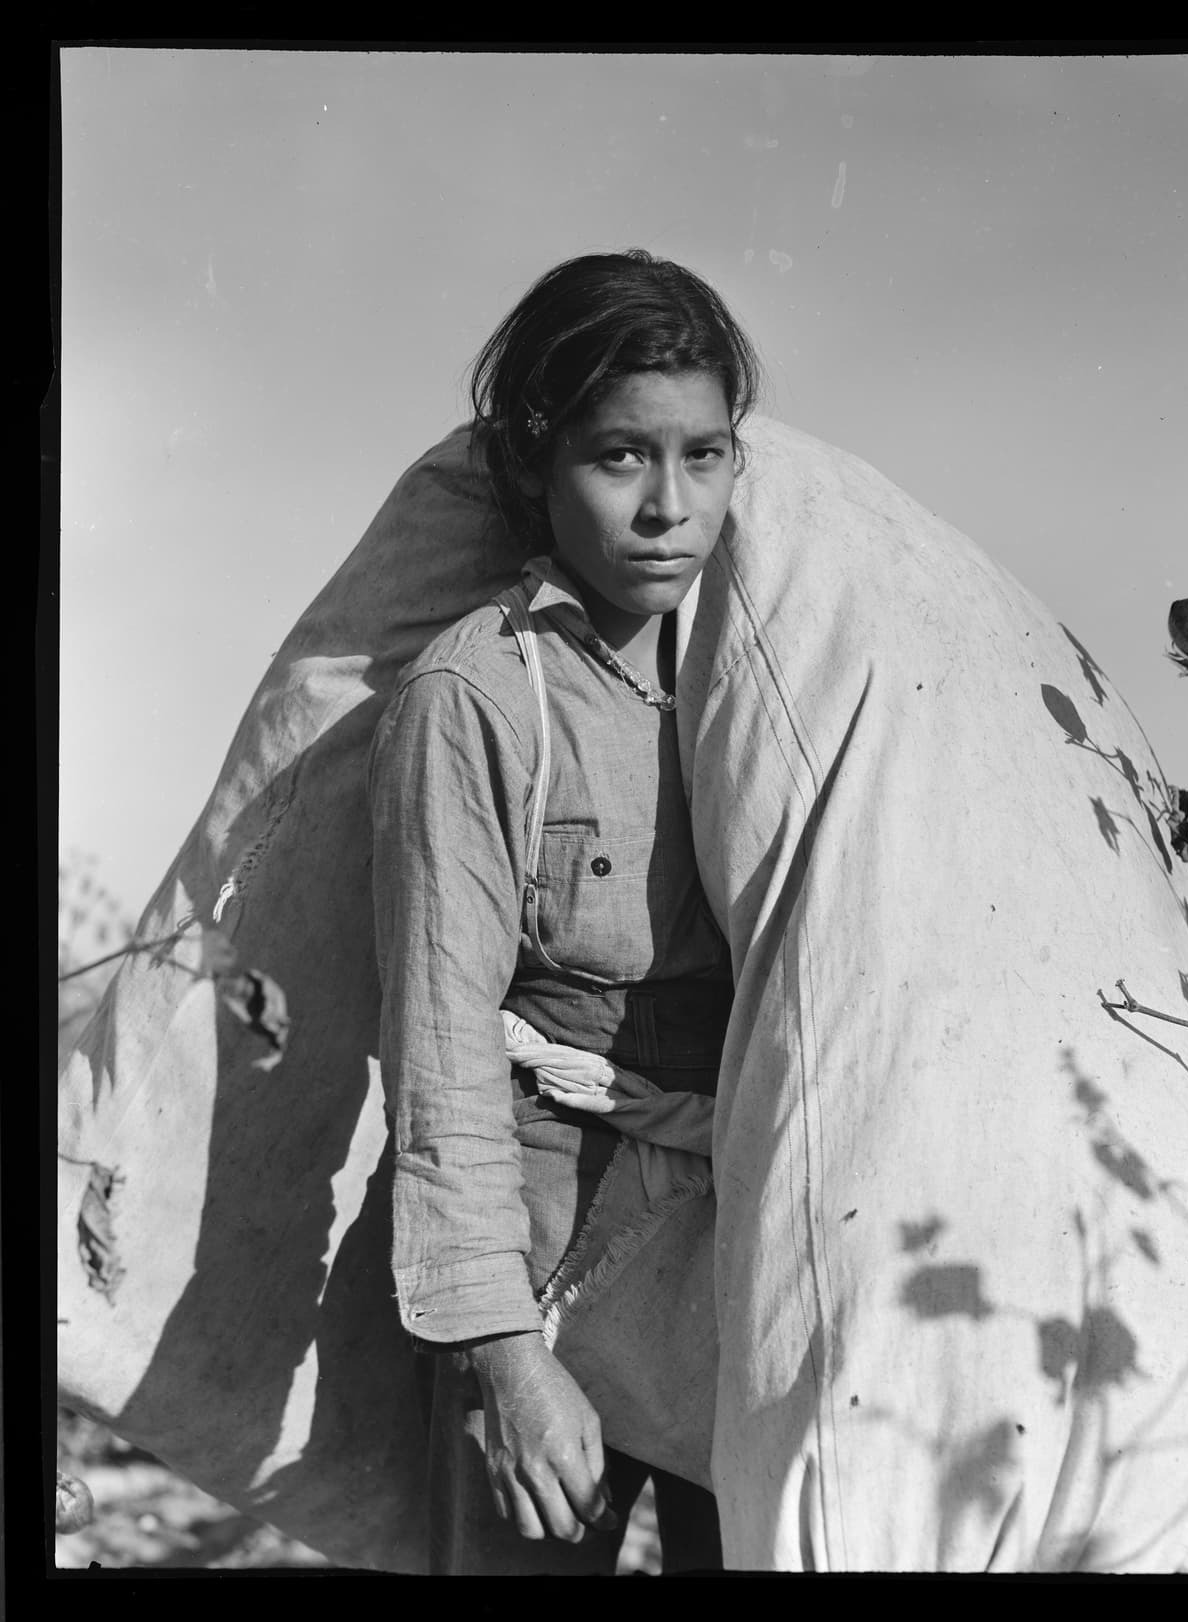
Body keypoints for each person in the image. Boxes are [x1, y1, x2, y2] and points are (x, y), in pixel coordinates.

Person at [368, 250, 760, 1574]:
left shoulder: (774, 672)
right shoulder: (480, 696)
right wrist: (507, 1360)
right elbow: (442, 1041)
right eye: (618, 457)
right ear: (540, 461)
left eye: (704, 454)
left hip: (751, 1251)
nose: (668, 506)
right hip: (550, 1260)